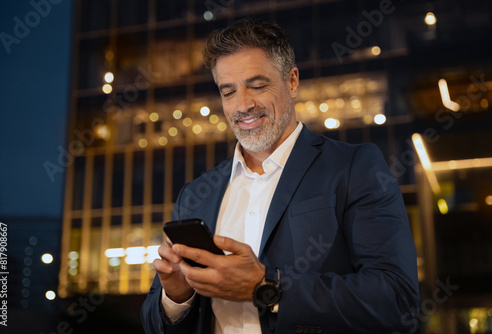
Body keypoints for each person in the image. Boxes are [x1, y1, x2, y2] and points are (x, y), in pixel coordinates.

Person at [141, 18, 420, 334]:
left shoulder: (354, 167)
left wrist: (266, 286)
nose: (243, 105)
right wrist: (177, 297)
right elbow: (154, 323)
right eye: (228, 91)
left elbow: (397, 300)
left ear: (292, 81)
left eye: (258, 85)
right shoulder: (196, 193)